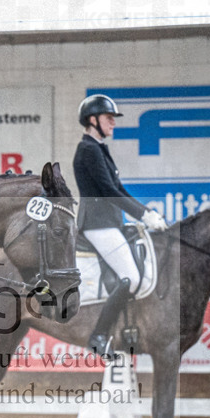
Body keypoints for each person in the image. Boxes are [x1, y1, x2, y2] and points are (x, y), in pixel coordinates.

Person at [73, 94, 167, 358]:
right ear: (93, 120)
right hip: (97, 224)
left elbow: (119, 189)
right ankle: (99, 335)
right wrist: (143, 215)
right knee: (131, 278)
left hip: (110, 222)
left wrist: (146, 213)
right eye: (108, 118)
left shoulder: (99, 148)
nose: (113, 123)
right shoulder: (88, 149)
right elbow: (108, 191)